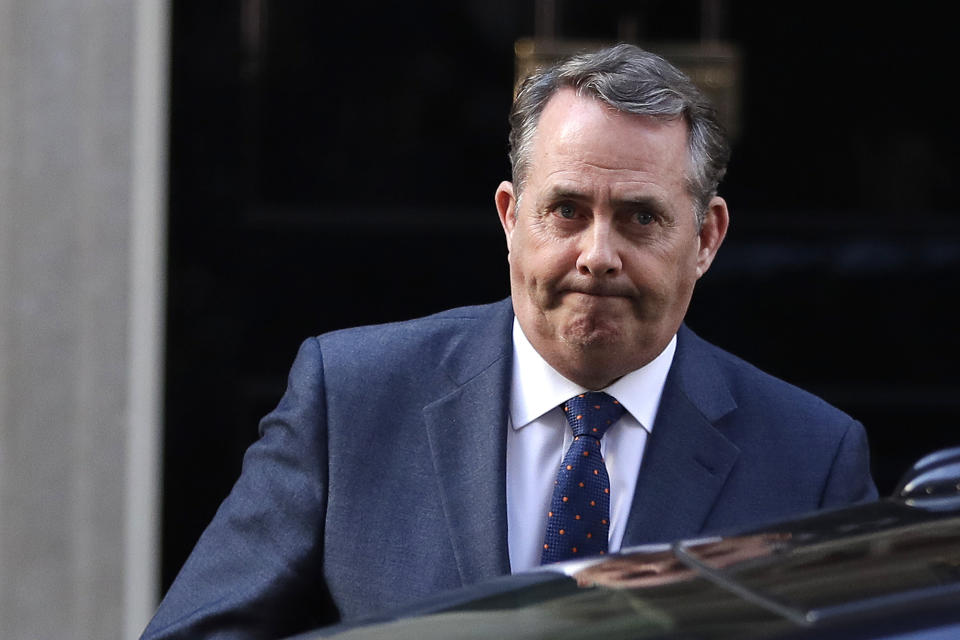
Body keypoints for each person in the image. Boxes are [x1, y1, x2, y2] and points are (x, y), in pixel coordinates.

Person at [142, 44, 877, 639]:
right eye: (565, 210)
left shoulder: (809, 460)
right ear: (509, 217)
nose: (597, 254)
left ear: (707, 237)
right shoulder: (354, 398)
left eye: (640, 218)